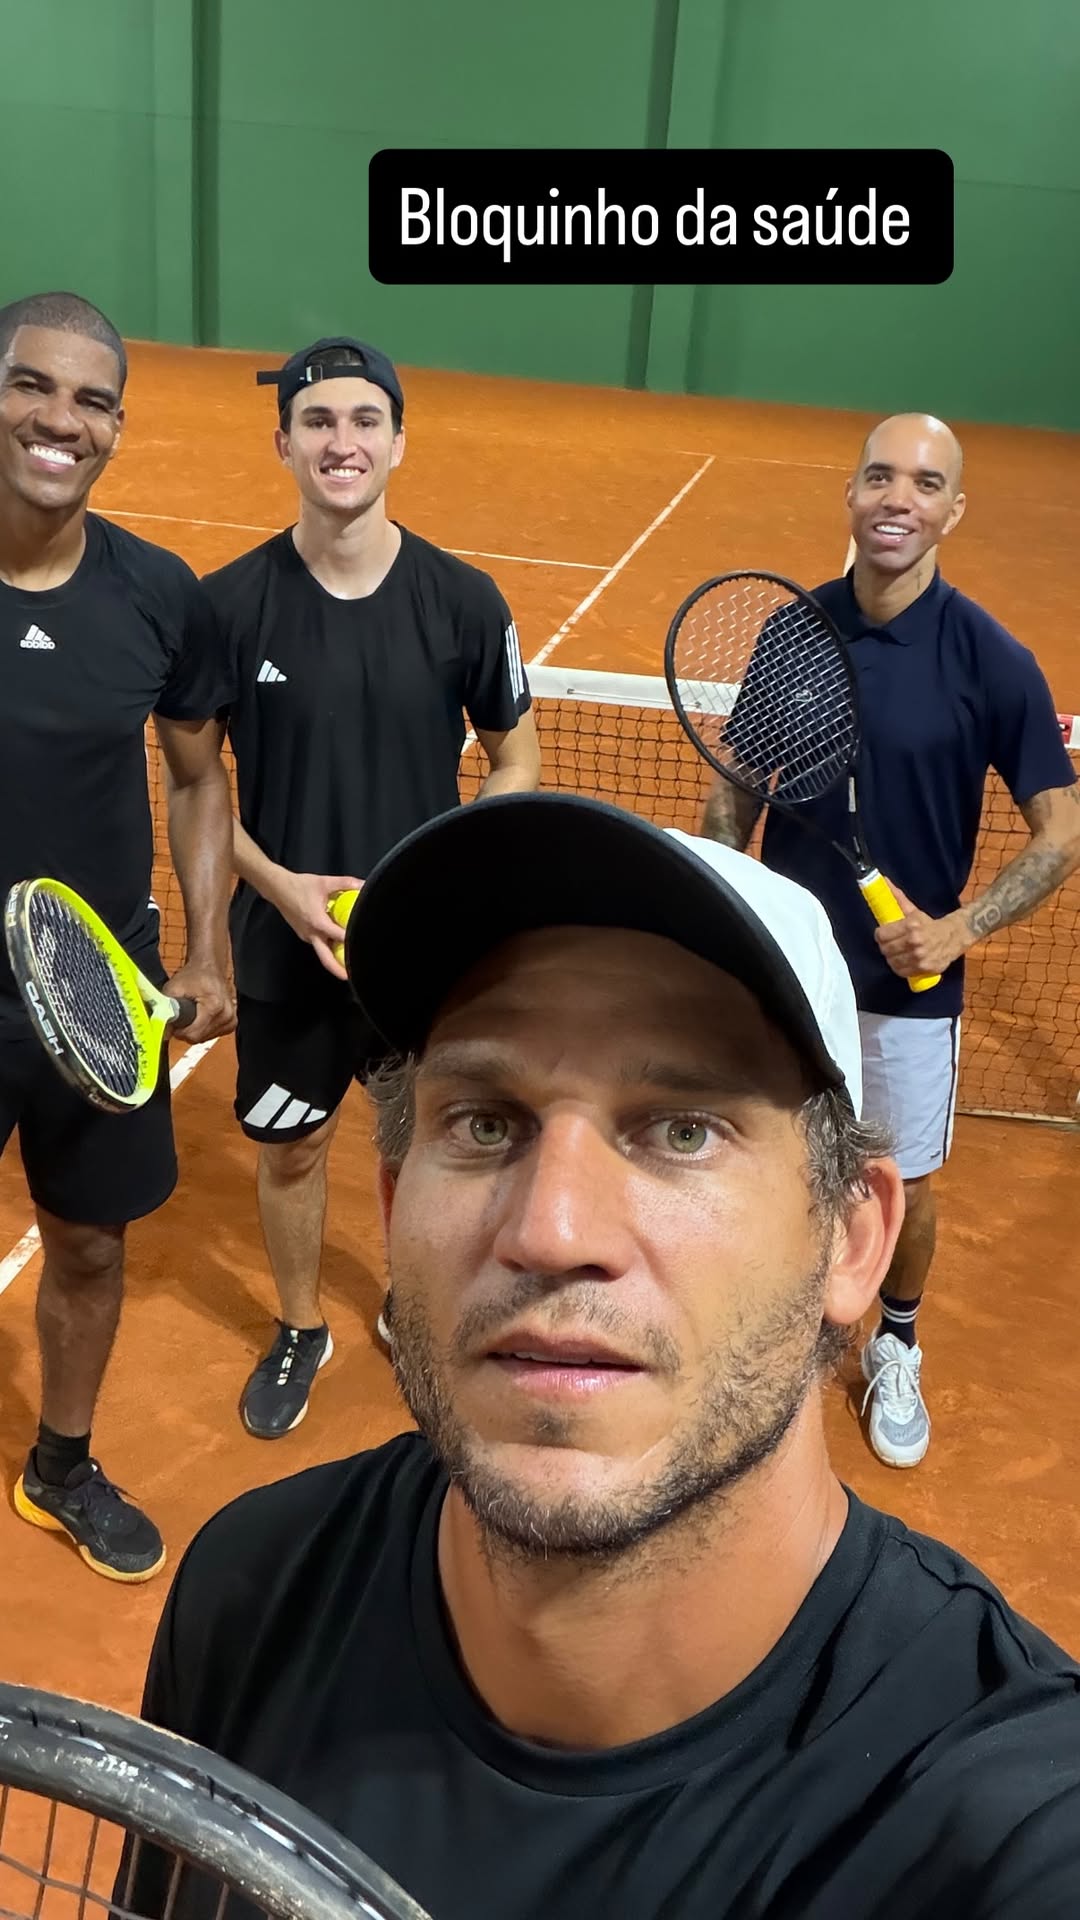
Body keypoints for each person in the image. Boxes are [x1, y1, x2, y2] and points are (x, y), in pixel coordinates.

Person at [129, 791, 1080, 1918]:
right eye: (484, 1122)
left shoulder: (1004, 1833)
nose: (550, 1231)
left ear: (852, 1239)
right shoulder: (249, 1598)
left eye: (682, 1129)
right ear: (392, 1206)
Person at [701, 413, 1079, 1469]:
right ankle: (777, 1325)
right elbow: (737, 789)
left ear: (953, 510)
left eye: (924, 483)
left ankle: (896, 1343)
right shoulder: (793, 632)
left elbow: (1063, 830)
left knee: (899, 1177)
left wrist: (958, 929)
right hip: (789, 967)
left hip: (913, 991)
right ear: (853, 494)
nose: (896, 499)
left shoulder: (990, 658)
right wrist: (732, 899)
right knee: (775, 1154)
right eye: (879, 476)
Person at [201, 336, 541, 1440]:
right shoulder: (230, 607)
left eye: (362, 421)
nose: (340, 442)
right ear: (283, 443)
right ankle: (304, 1326)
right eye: (317, 422)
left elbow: (516, 756)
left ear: (399, 440)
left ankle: (409, 1304)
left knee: (417, 1144)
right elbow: (197, 789)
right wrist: (284, 888)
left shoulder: (463, 602)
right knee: (291, 1147)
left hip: (414, 954)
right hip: (280, 946)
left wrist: (434, 877)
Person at [0, 291, 235, 1582]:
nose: (62, 420)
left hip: (98, 986)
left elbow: (199, 779)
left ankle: (61, 1468)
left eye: (93, 400)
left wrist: (207, 952)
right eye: (34, 386)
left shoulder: (157, 593)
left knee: (92, 1241)